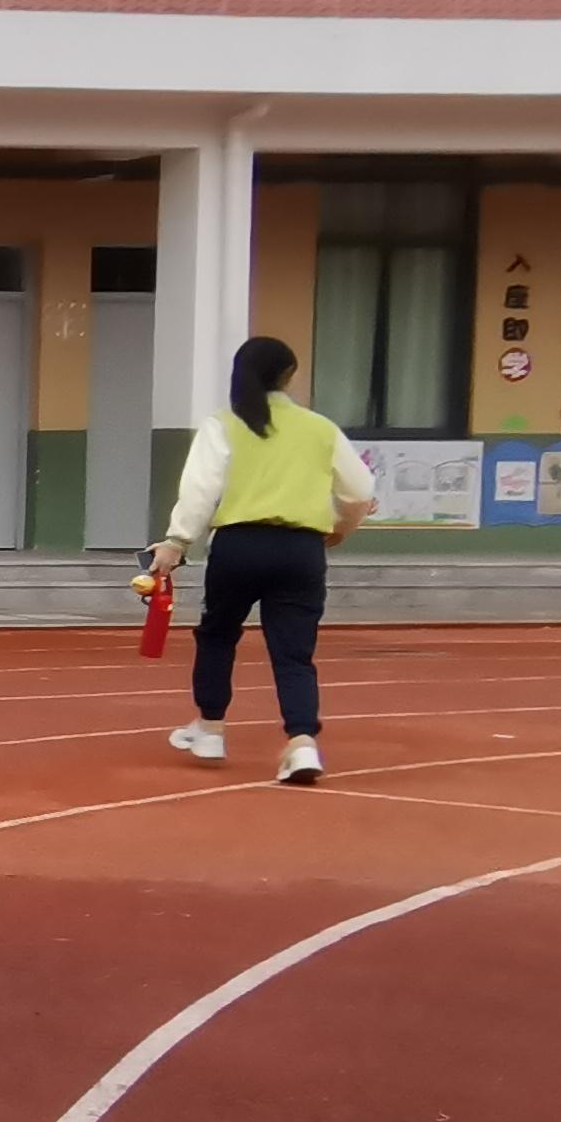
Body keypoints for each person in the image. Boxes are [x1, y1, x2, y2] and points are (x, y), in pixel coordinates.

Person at [153, 336, 375, 786]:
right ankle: (301, 743)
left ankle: (211, 729)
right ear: (289, 376)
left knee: (218, 635)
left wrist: (176, 542)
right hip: (301, 549)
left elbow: (200, 490)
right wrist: (339, 530)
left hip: (239, 545)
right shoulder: (320, 428)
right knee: (294, 653)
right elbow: (360, 492)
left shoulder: (224, 425)